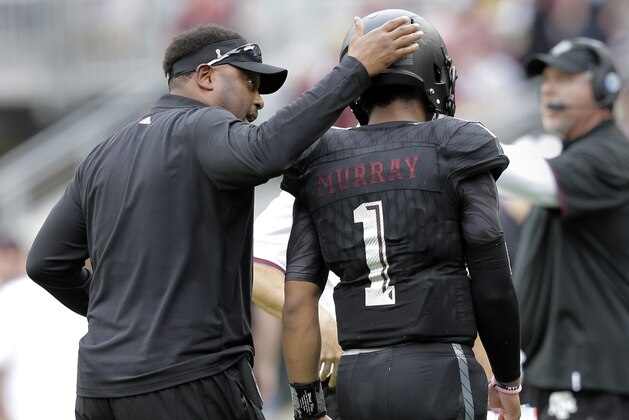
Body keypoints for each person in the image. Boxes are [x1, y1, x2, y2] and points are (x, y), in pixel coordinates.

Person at [25, 19, 423, 420]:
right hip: (188, 382)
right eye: (251, 83)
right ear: (205, 76)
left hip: (99, 391)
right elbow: (268, 150)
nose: (260, 101)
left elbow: (46, 262)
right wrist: (354, 70)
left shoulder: (101, 154)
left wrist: (126, 315)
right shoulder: (203, 126)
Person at [280, 9, 522, 420]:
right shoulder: (455, 144)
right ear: (435, 75)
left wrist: (308, 405)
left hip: (356, 378)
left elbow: (298, 299)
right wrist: (507, 380)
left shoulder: (319, 157)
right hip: (440, 368)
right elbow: (492, 279)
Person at [497, 37, 629, 419]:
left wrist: (450, 140)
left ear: (605, 88)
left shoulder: (608, 155)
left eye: (565, 77)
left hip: (592, 376)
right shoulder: (575, 159)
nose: (549, 88)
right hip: (566, 374)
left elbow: (530, 178)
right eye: (546, 78)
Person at [253, 190, 342, 419]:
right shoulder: (322, 173)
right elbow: (251, 269)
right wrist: (317, 317)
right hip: (339, 370)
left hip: (418, 360)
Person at [0, 230, 87, 420]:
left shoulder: (7, 298)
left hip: (32, 412)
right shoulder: (71, 285)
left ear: (8, 254)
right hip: (83, 406)